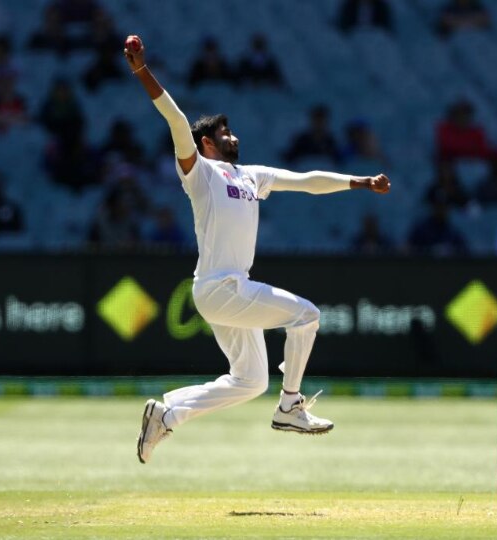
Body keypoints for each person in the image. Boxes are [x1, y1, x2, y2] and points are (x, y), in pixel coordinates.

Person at [123, 35, 390, 463]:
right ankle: (291, 406)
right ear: (207, 143)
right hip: (218, 287)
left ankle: (167, 414)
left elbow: (305, 180)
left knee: (249, 381)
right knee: (307, 315)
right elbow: (175, 120)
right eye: (225, 132)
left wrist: (358, 182)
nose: (234, 136)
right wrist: (141, 70)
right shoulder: (200, 172)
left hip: (229, 290)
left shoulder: (251, 176)